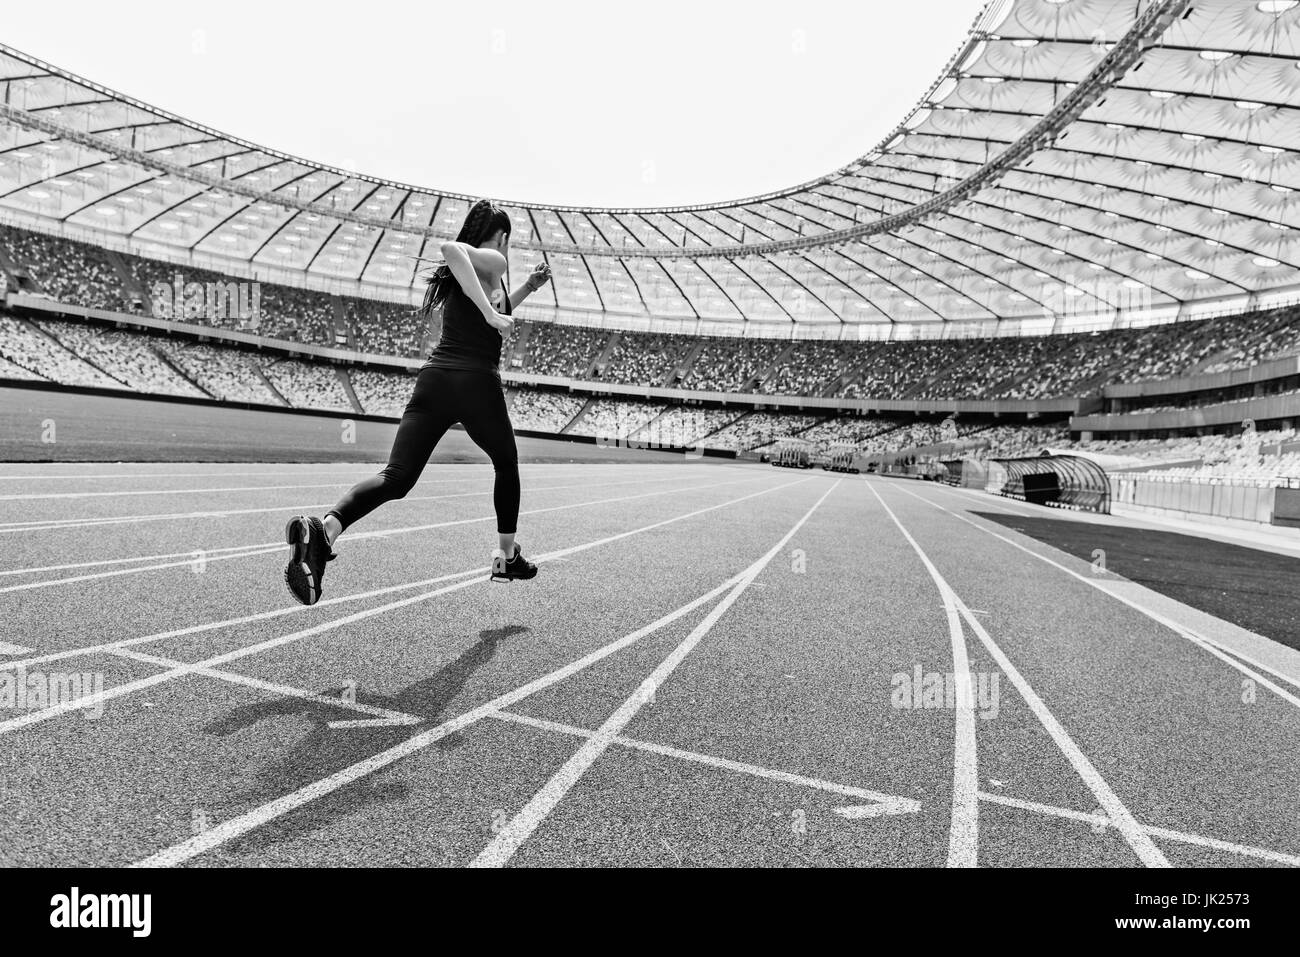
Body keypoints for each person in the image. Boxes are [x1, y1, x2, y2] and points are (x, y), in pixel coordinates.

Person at [283, 199, 552, 606]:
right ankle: (506, 553)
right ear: (502, 236)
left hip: (435, 382)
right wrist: (492, 315)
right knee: (506, 463)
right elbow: (452, 251)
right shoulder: (492, 258)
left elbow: (492, 305)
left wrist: (526, 290)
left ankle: (324, 531)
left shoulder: (471, 278)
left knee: (397, 477)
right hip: (476, 382)